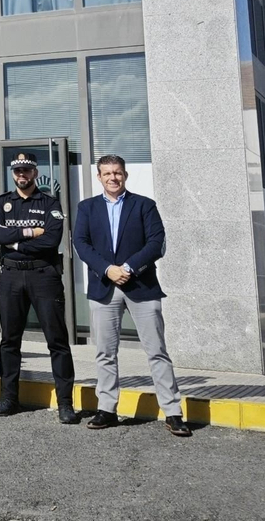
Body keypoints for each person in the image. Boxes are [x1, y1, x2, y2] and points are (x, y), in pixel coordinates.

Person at [72, 155, 192, 437]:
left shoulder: (144, 205)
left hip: (141, 287)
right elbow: (81, 243)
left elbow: (156, 242)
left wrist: (127, 268)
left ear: (125, 175)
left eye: (117, 173)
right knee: (105, 353)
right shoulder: (87, 208)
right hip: (105, 287)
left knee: (157, 352)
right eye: (107, 173)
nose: (113, 178)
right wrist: (107, 269)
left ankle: (173, 412)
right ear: (99, 177)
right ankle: (107, 409)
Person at [0, 152, 77, 423]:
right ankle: (9, 398)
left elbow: (50, 240)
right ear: (13, 174)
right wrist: (27, 233)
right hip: (11, 276)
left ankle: (65, 404)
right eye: (17, 171)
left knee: (57, 341)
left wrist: (12, 241)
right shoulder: (2, 203)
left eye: (26, 170)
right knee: (9, 341)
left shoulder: (49, 203)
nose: (21, 175)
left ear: (35, 173)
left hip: (43, 275)